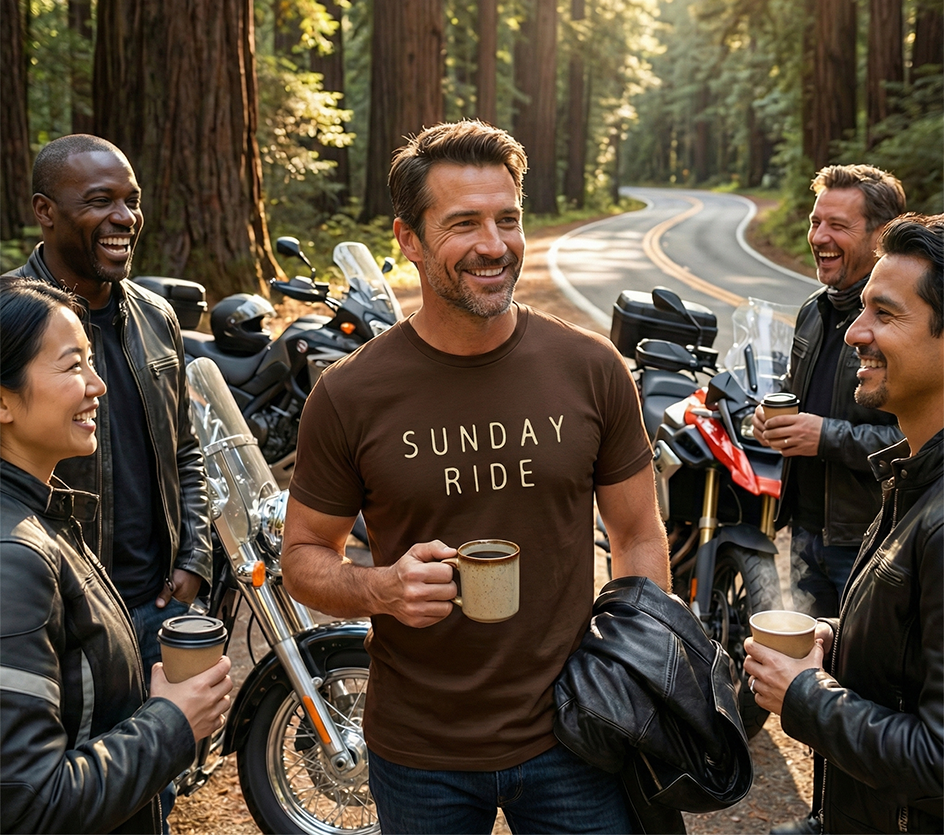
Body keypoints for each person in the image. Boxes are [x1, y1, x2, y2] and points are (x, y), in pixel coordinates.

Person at [281, 119, 671, 834]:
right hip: (419, 749)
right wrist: (381, 588)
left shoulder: (590, 368)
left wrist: (635, 671)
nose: (495, 246)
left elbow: (639, 532)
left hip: (575, 736)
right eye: (464, 223)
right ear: (408, 240)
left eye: (508, 219)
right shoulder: (350, 394)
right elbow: (303, 557)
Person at [0, 277, 233, 834]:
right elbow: (29, 803)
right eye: (72, 365)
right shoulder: (14, 558)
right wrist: (171, 722)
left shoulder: (44, 517)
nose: (98, 385)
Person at [745, 213, 944, 835]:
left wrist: (804, 695)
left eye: (884, 315)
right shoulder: (911, 476)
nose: (855, 332)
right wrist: (836, 637)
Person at [7, 134, 212, 676]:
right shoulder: (9, 321)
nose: (124, 217)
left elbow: (184, 449)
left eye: (132, 200)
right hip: (58, 617)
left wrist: (194, 557)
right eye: (100, 201)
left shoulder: (158, 317)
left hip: (160, 607)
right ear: (45, 212)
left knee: (170, 751)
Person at [753, 164, 905, 618]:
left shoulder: (903, 326)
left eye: (838, 225)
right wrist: (768, 419)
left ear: (882, 236)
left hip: (872, 541)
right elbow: (795, 395)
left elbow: (921, 442)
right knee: (813, 662)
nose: (819, 237)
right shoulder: (813, 312)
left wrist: (826, 437)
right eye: (815, 222)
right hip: (806, 532)